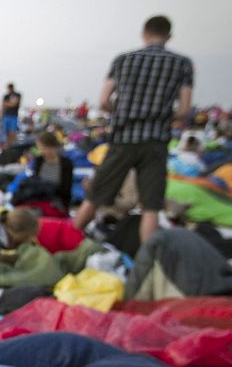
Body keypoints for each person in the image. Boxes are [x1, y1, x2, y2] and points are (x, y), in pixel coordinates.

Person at [73, 15, 193, 244]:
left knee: (95, 196)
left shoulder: (123, 60)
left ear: (144, 34)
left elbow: (104, 101)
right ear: (168, 36)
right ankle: (147, 263)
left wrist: (122, 112)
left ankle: (69, 241)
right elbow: (184, 109)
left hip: (123, 137)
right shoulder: (181, 63)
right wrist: (161, 116)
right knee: (151, 206)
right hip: (156, 141)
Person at [32, 131, 74, 207]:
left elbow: (66, 190)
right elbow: (35, 183)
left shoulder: (66, 164)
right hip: (39, 199)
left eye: (42, 148)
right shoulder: (39, 161)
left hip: (57, 202)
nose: (40, 151)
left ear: (50, 147)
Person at [2, 83, 22, 147]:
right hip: (6, 116)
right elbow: (4, 104)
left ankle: (13, 145)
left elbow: (14, 104)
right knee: (7, 132)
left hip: (13, 116)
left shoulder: (17, 95)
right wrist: (11, 104)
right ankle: (9, 145)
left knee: (12, 131)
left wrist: (8, 104)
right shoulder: (6, 96)